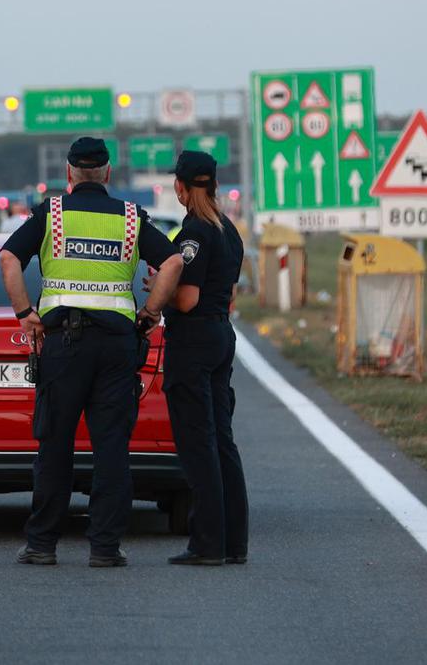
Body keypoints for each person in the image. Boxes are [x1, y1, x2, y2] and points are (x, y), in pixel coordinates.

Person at [0, 137, 183, 568]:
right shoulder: (132, 219)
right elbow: (173, 262)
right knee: (112, 447)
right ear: (106, 174)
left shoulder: (52, 215)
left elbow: (9, 258)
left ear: (68, 174)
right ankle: (104, 547)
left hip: (63, 345)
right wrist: (151, 312)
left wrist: (26, 312)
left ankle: (43, 544)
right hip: (117, 348)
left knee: (55, 445)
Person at [159, 150, 249, 567]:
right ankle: (234, 541)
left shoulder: (194, 233)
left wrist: (159, 288)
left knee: (198, 443)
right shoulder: (229, 230)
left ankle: (207, 543)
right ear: (211, 184)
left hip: (193, 341)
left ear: (181, 187)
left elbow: (188, 298)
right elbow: (223, 292)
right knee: (222, 441)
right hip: (220, 335)